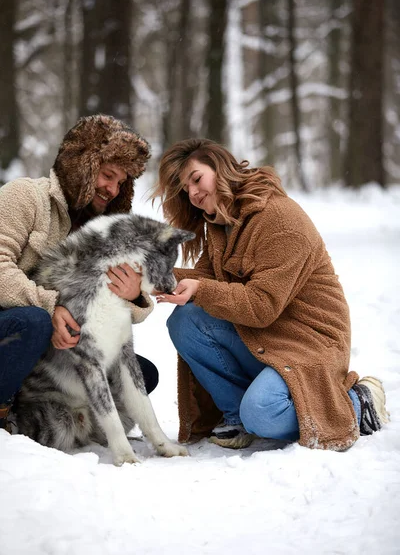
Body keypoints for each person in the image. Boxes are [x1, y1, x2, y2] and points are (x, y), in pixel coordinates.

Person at [152, 138, 390, 451]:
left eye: (197, 179)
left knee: (263, 413)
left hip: (309, 342)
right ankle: (238, 415)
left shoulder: (279, 218)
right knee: (186, 320)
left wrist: (201, 288)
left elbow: (262, 305)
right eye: (186, 189)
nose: (194, 194)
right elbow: (208, 279)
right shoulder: (220, 224)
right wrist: (157, 276)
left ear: (220, 167)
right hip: (265, 336)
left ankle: (357, 402)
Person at [0, 114, 158, 432]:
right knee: (34, 322)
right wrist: (51, 305)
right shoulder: (26, 196)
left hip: (53, 354)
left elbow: (138, 310)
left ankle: (27, 406)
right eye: (107, 175)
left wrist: (133, 296)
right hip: (14, 328)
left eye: (121, 182)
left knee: (143, 373)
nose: (112, 189)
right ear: (82, 165)